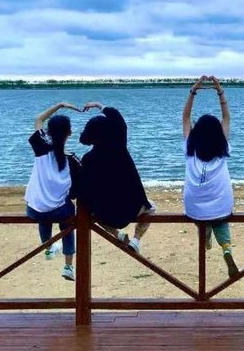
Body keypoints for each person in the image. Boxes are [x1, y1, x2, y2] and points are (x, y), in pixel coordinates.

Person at [74, 101, 154, 254]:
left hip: (106, 214)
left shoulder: (88, 159)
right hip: (132, 208)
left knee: (91, 214)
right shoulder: (119, 146)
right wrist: (99, 105)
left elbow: (84, 190)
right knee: (151, 208)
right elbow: (118, 120)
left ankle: (117, 234)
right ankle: (136, 239)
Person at [182, 75, 239, 279]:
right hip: (221, 206)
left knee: (203, 218)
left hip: (194, 208)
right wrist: (219, 90)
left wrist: (193, 90)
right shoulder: (223, 149)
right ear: (217, 134)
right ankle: (226, 248)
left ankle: (205, 236)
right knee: (220, 219)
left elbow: (186, 118)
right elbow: (226, 118)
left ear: (196, 133)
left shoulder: (189, 149)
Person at [25, 102, 82, 281]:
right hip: (60, 211)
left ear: (48, 132)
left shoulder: (40, 147)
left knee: (44, 213)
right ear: (69, 133)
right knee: (67, 223)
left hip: (35, 211)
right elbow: (77, 189)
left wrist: (60, 105)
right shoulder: (72, 159)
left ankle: (48, 248)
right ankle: (68, 266)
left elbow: (38, 119)